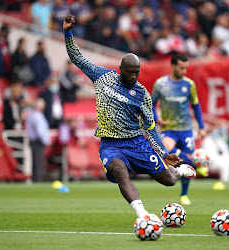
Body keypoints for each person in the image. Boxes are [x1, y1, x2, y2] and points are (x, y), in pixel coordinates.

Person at [63, 14, 196, 218]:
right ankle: (143, 215)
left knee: (169, 181)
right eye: (130, 72)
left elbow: (150, 127)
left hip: (136, 143)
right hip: (111, 144)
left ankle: (178, 172)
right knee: (119, 171)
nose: (134, 76)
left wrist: (163, 152)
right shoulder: (103, 77)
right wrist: (68, 32)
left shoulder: (142, 94)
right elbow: (77, 58)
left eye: (137, 72)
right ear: (121, 69)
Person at [151, 53, 206, 205]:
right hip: (169, 129)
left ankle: (184, 194)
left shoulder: (189, 84)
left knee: (185, 163)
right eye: (181, 68)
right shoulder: (160, 84)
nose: (184, 71)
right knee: (169, 150)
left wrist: (201, 127)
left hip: (186, 129)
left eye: (186, 68)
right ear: (173, 66)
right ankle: (196, 163)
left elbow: (196, 105)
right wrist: (157, 119)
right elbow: (150, 104)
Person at [26, 98, 51, 182]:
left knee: (36, 163)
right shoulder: (37, 116)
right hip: (37, 142)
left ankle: (36, 180)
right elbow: (40, 131)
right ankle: (38, 181)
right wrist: (46, 141)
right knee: (38, 163)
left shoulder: (32, 115)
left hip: (34, 141)